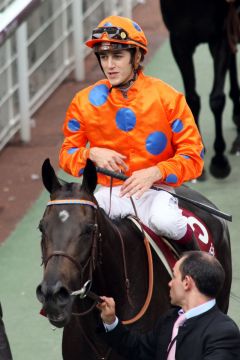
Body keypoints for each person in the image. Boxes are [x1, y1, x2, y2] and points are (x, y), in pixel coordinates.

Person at [59, 15, 204, 250]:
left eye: (118, 56)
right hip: (109, 193)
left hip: (156, 191)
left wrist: (156, 172)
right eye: (104, 57)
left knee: (165, 222)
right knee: (76, 228)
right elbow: (66, 155)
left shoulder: (168, 98)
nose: (109, 65)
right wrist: (91, 154)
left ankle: (196, 266)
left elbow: (193, 157)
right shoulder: (83, 102)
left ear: (136, 57)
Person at [97, 251, 240, 360]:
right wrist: (110, 321)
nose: (170, 283)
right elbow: (138, 349)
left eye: (174, 276)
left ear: (186, 282)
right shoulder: (169, 320)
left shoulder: (224, 333)